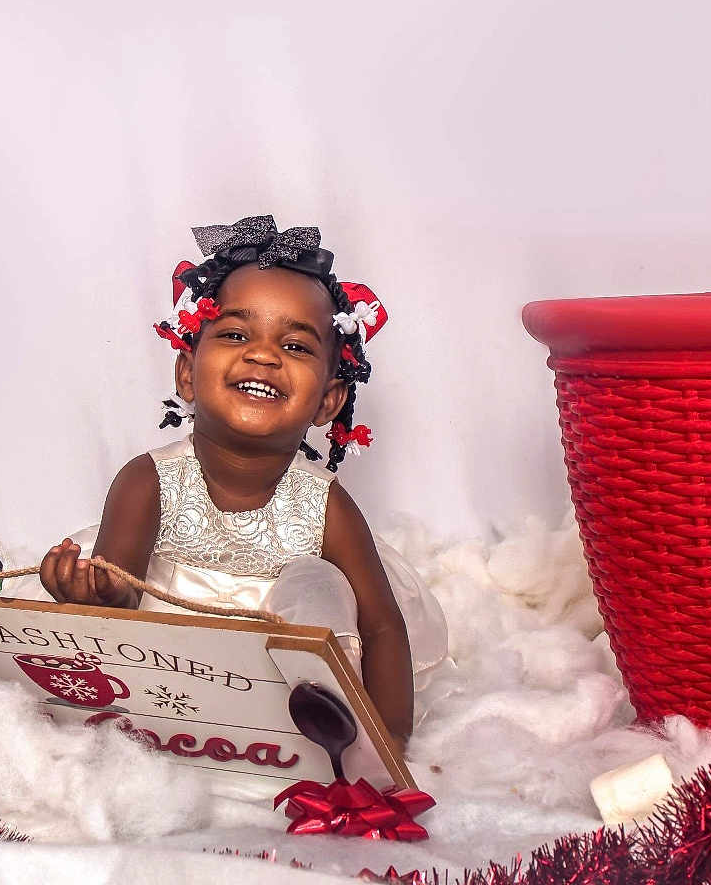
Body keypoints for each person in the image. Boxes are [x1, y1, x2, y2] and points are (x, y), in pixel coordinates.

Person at [31, 215, 449, 750]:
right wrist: (93, 592)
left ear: (328, 401)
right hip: (174, 667)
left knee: (318, 582)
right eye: (234, 333)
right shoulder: (147, 481)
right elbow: (120, 606)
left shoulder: (326, 506)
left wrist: (390, 745)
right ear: (186, 372)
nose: (263, 354)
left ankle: (331, 716)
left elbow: (383, 627)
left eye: (297, 346)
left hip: (291, 665)